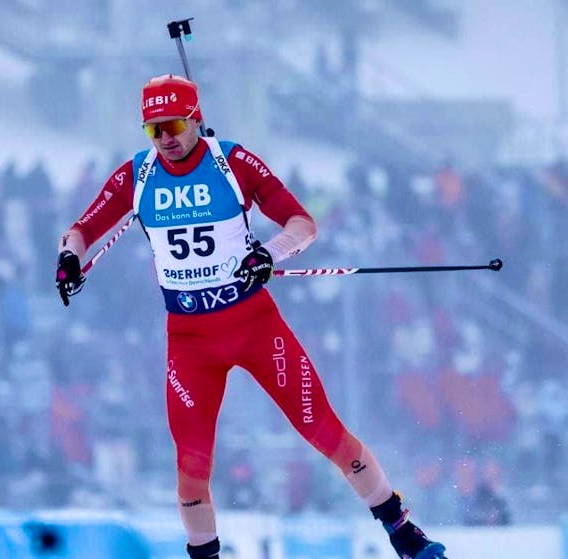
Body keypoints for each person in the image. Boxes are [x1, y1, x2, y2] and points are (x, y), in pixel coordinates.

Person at [55, 74, 447, 559]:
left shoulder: (232, 162)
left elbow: (302, 223)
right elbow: (80, 229)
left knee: (323, 430)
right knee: (191, 469)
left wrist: (269, 254)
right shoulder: (137, 175)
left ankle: (404, 533)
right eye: (153, 130)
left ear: (196, 119)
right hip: (189, 340)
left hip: (252, 325)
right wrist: (69, 259)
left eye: (174, 125)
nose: (166, 139)